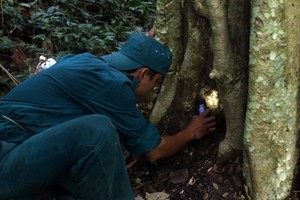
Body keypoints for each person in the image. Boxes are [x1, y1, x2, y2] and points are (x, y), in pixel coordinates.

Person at [0, 33, 216, 200]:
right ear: (143, 74)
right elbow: (155, 151)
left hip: (18, 151)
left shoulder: (83, 62)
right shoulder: (112, 84)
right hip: (7, 159)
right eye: (156, 82)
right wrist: (191, 132)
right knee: (98, 130)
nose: (154, 89)